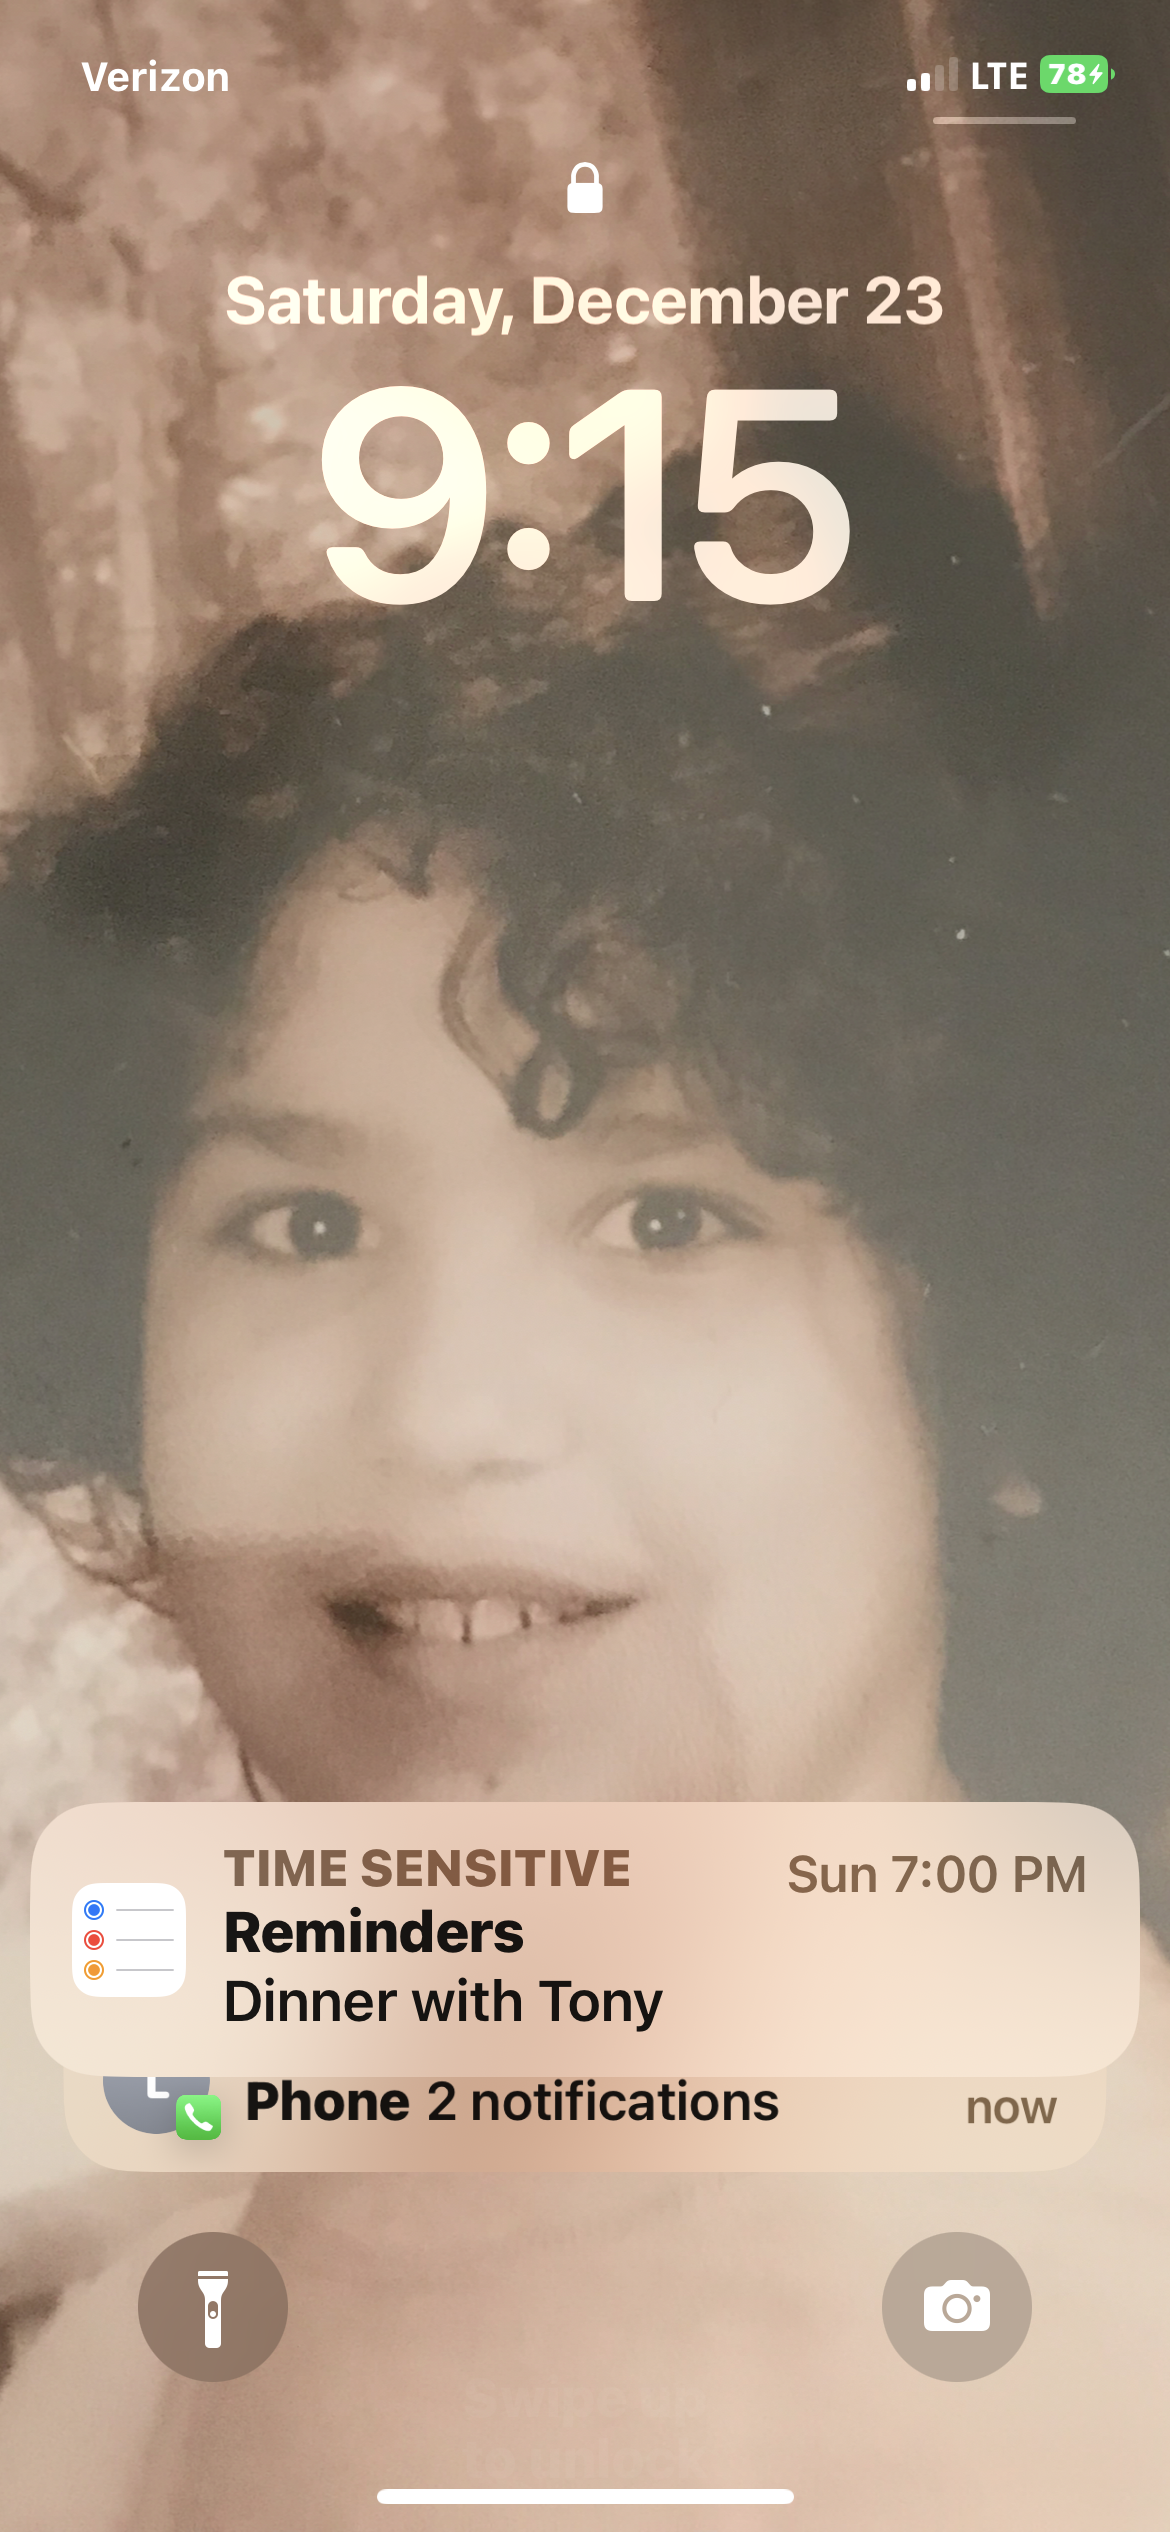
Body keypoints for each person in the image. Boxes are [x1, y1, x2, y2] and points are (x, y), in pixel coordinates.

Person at [0, 573, 1166, 2529]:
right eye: (298, 1227)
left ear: (1000, 1366)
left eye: (666, 1221)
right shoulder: (166, 2321)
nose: (447, 1409)